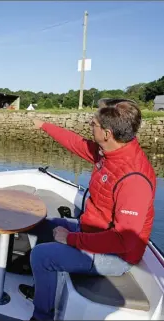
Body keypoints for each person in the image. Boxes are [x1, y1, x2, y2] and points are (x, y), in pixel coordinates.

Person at [19, 98, 157, 321]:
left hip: (116, 256)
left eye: (93, 123)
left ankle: (42, 316)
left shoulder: (134, 180)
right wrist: (43, 125)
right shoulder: (108, 153)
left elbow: (124, 241)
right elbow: (76, 143)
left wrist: (72, 239)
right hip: (92, 231)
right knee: (42, 226)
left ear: (107, 133)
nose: (88, 125)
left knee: (41, 256)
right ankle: (44, 290)